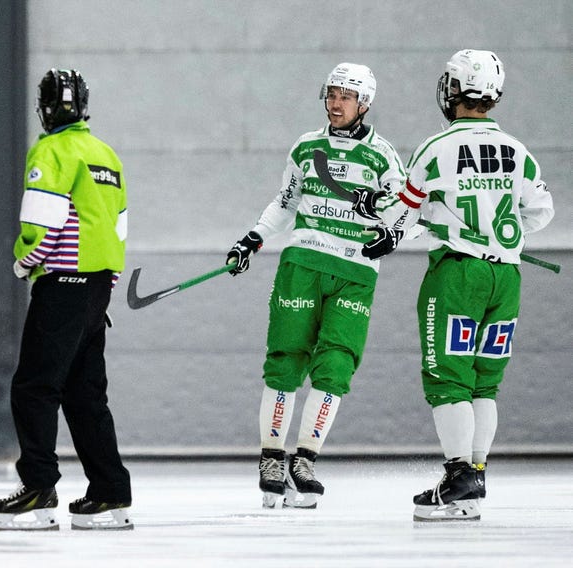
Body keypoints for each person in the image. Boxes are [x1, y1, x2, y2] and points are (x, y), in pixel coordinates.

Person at [359, 50, 554, 521]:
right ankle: (476, 476)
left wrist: (381, 217)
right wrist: (497, 236)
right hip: (506, 276)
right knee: (486, 383)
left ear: (454, 89)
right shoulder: (517, 151)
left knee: (448, 378)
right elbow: (542, 211)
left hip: (458, 275)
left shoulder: (437, 147)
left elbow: (402, 212)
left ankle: (457, 475)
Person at [225, 63, 405, 509]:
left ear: (365, 103)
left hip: (356, 273)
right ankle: (271, 458)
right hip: (303, 261)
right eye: (332, 93)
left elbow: (406, 212)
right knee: (286, 359)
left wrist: (393, 234)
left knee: (336, 367)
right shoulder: (306, 147)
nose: (336, 102)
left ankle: (304, 459)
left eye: (346, 95)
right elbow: (284, 203)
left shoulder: (383, 157)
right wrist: (254, 237)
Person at [0, 68, 132, 531]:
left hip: (62, 283)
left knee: (34, 387)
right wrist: (105, 283)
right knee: (85, 395)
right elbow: (119, 227)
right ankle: (110, 493)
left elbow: (42, 225)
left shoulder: (50, 151)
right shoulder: (105, 154)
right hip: (97, 289)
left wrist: (21, 264)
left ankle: (38, 490)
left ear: (44, 108)